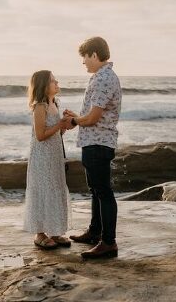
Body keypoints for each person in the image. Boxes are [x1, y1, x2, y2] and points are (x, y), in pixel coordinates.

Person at [64, 37, 122, 259]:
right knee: (96, 190)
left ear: (94, 55)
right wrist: (78, 118)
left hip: (98, 142)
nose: (83, 62)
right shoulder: (102, 76)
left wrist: (75, 120)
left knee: (103, 191)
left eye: (85, 57)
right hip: (95, 141)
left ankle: (108, 242)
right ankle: (95, 232)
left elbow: (92, 118)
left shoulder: (103, 79)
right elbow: (90, 116)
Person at [23, 70, 74, 249]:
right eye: (53, 81)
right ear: (44, 86)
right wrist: (59, 124)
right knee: (43, 189)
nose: (57, 82)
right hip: (42, 155)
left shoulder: (55, 103)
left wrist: (65, 125)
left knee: (55, 187)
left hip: (54, 154)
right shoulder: (40, 106)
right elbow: (40, 135)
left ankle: (54, 230)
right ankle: (40, 234)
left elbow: (56, 133)